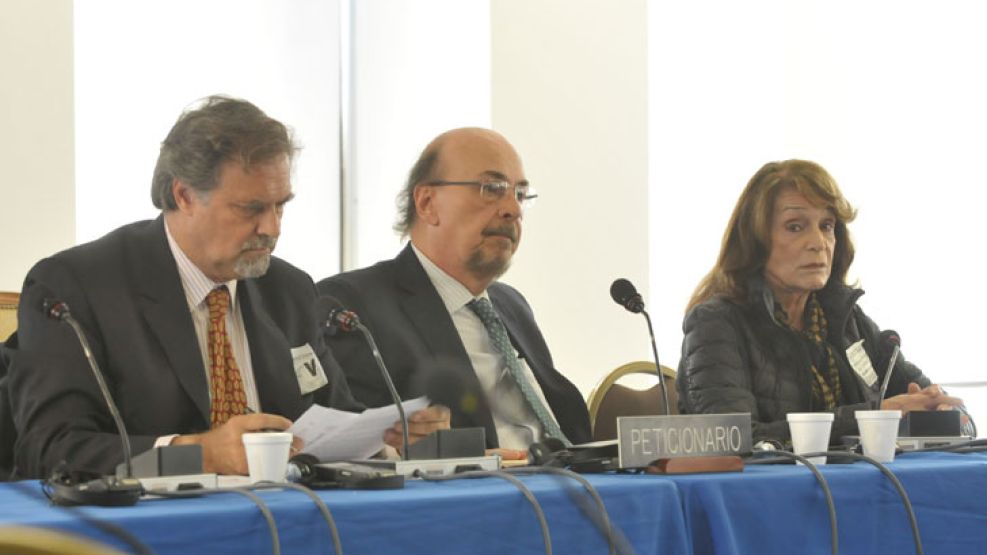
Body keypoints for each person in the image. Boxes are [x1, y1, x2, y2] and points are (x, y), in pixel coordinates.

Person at [8, 96, 447, 479]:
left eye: (281, 206)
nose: (271, 228)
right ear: (184, 195)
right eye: (251, 208)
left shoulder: (288, 289)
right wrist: (199, 453)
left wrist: (393, 440)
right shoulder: (78, 287)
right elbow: (49, 449)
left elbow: (333, 420)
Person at [316, 128, 591, 452]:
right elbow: (367, 441)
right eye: (492, 189)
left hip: (572, 480)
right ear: (427, 203)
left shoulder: (511, 304)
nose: (512, 210)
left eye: (519, 194)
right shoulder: (354, 305)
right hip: (481, 493)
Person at [677, 159, 968, 444]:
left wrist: (943, 411)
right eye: (795, 226)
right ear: (755, 240)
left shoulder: (847, 320)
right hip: (763, 491)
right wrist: (875, 417)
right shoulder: (715, 324)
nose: (818, 242)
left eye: (826, 226)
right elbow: (732, 439)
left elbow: (934, 400)